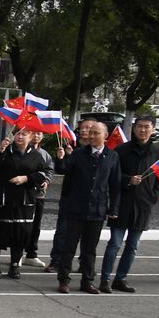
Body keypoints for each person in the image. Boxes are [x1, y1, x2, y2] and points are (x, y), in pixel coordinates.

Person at [52, 119, 122, 294]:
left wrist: (113, 208)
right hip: (76, 208)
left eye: (96, 133)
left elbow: (115, 184)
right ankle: (64, 280)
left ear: (105, 136)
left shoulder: (112, 156)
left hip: (97, 209)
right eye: (90, 132)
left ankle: (87, 280)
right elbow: (63, 170)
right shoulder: (78, 154)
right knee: (69, 247)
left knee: (90, 249)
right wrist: (60, 159)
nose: (91, 136)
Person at [101, 116, 159, 292]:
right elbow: (111, 176)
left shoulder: (158, 154)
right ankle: (105, 278)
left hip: (143, 206)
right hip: (122, 203)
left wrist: (153, 197)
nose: (143, 130)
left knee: (133, 245)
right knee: (115, 243)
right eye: (139, 127)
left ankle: (121, 278)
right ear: (134, 128)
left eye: (147, 127)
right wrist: (128, 180)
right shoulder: (121, 150)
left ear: (153, 129)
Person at [0, 128, 49, 279]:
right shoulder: (5, 150)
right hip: (2, 198)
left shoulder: (36, 156)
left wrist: (26, 178)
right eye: (17, 133)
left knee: (20, 233)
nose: (19, 136)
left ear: (31, 136)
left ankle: (14, 266)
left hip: (23, 200)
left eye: (24, 134)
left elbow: (43, 173)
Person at [23, 132, 54, 268]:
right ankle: (17, 253)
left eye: (39, 133)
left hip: (39, 194)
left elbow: (49, 171)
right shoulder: (22, 150)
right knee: (22, 224)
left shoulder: (45, 154)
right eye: (33, 133)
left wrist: (46, 180)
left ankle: (31, 254)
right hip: (23, 193)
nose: (36, 136)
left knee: (36, 225)